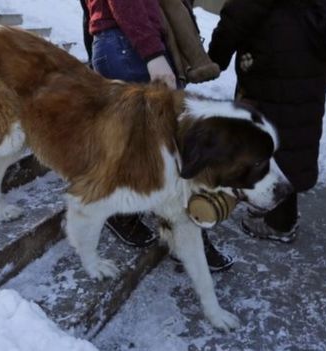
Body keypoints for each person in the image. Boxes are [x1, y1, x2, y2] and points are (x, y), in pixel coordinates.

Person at [82, 0, 233, 271]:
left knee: (146, 146)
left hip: (128, 42)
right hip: (129, 44)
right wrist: (152, 53)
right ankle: (179, 236)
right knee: (164, 148)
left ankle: (127, 214)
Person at [208, 0, 326, 243]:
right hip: (310, 64)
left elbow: (237, 17)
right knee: (297, 134)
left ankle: (280, 221)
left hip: (270, 66)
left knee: (271, 140)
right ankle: (273, 205)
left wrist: (216, 57)